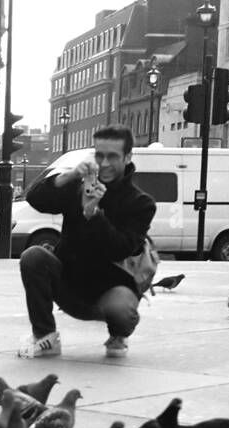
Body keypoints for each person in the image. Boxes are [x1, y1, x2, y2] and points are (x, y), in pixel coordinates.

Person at [18, 124, 155, 360]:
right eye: (99, 155)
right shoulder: (78, 186)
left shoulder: (140, 203)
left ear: (128, 157)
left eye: (112, 156)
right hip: (69, 284)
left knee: (121, 309)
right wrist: (70, 175)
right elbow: (35, 198)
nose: (104, 163)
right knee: (33, 256)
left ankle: (118, 334)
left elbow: (122, 248)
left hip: (108, 292)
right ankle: (45, 337)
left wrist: (94, 214)